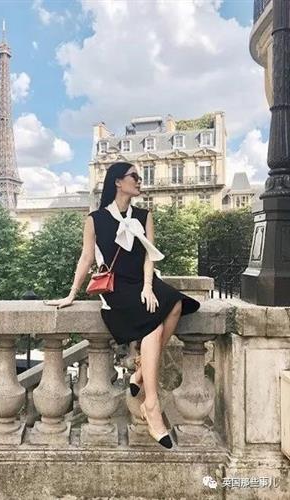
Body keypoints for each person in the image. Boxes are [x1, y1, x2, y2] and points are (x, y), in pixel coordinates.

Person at [45, 161, 201, 449]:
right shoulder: (95, 219)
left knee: (176, 303)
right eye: (134, 177)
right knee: (154, 324)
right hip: (115, 286)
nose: (140, 181)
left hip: (141, 281)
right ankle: (151, 404)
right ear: (118, 181)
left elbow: (149, 255)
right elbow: (86, 258)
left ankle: (141, 372)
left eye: (140, 177)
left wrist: (147, 286)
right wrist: (71, 294)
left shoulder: (144, 215)